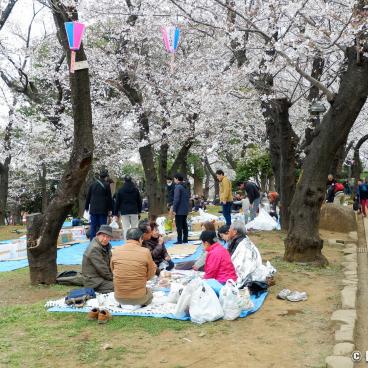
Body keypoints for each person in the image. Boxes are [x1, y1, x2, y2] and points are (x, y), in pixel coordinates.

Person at [111, 228, 157, 306]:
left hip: (119, 297)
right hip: (138, 298)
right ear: (140, 239)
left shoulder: (116, 250)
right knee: (149, 293)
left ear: (126, 238)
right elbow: (150, 275)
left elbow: (113, 270)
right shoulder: (145, 251)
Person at [81, 225, 114, 293]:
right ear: (98, 235)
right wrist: (114, 278)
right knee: (120, 286)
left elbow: (110, 262)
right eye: (103, 236)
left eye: (108, 237)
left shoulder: (106, 246)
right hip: (94, 281)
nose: (105, 239)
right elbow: (103, 270)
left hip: (101, 277)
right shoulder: (94, 248)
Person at [85, 169, 113, 240]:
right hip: (103, 209)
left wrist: (86, 207)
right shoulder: (107, 185)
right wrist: (110, 209)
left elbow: (88, 196)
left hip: (93, 208)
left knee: (93, 226)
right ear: (106, 177)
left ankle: (92, 240)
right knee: (102, 226)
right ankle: (101, 240)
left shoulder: (93, 184)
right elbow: (109, 198)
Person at [113, 176, 142, 240]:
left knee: (126, 228)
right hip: (134, 211)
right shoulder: (135, 190)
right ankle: (135, 241)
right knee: (135, 227)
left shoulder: (120, 190)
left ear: (124, 180)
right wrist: (139, 211)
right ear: (131, 180)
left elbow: (117, 202)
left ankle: (127, 242)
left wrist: (115, 213)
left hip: (124, 211)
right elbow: (139, 201)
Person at [173, 173, 189, 244]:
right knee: (184, 225)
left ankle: (179, 240)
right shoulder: (185, 186)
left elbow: (176, 199)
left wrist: (174, 209)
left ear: (177, 179)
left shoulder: (178, 187)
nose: (174, 180)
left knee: (179, 225)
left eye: (174, 179)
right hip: (185, 209)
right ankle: (185, 239)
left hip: (179, 210)